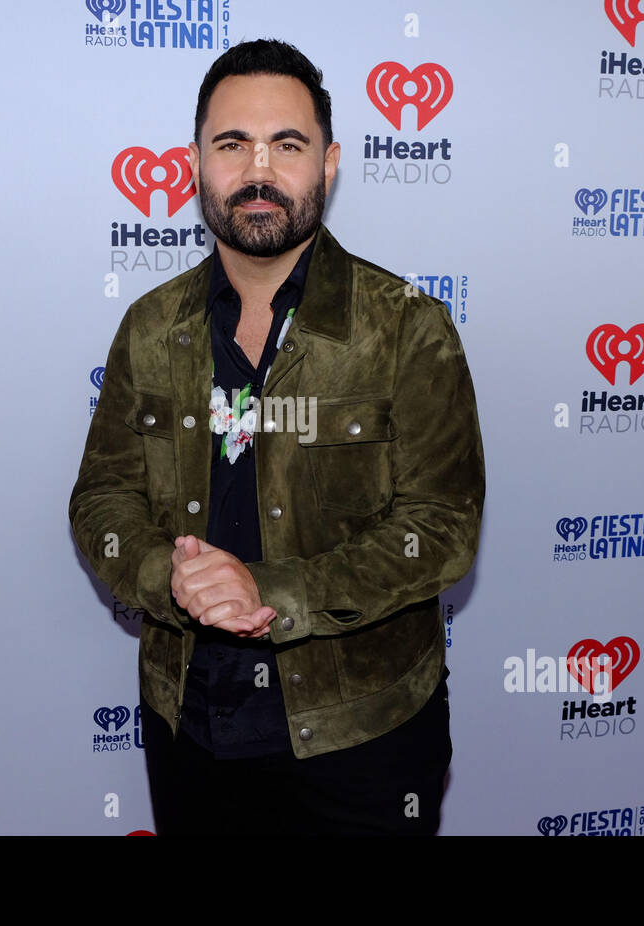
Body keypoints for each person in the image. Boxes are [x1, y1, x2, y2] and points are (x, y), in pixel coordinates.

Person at [69, 39, 484, 835]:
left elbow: (443, 530)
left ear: (328, 163)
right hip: (189, 726)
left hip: (362, 737)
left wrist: (272, 592)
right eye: (232, 144)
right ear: (196, 162)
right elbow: (102, 498)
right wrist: (167, 576)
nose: (258, 169)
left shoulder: (407, 330)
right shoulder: (150, 328)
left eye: (286, 144)